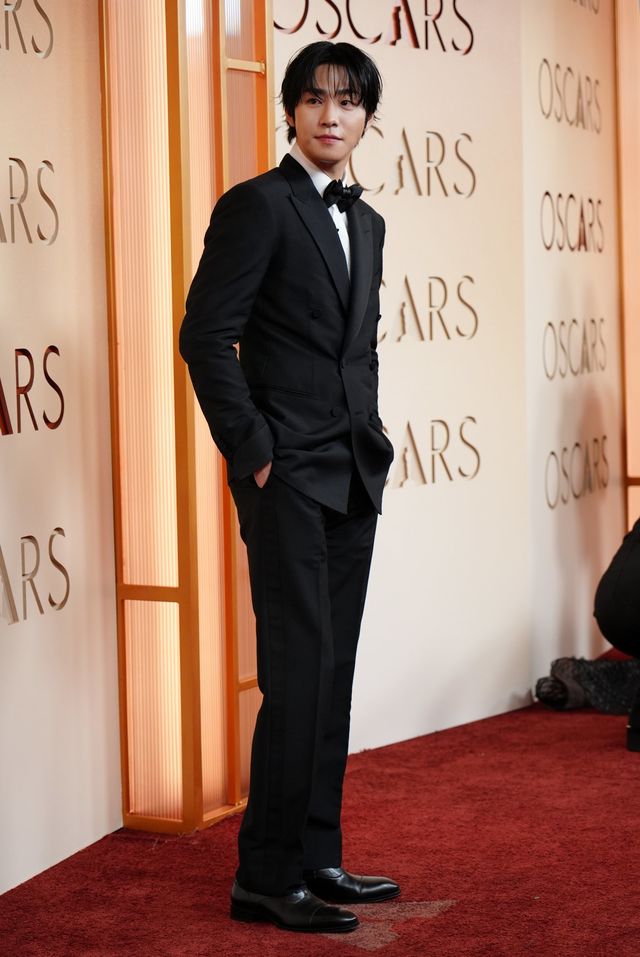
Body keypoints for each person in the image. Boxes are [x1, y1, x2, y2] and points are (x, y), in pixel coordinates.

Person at [179, 41, 398, 934]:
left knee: (332, 676)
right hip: (287, 480)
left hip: (352, 473)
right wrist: (255, 453)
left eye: (346, 102)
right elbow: (205, 335)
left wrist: (369, 442)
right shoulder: (257, 207)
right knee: (297, 677)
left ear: (366, 116)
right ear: (292, 112)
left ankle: (317, 854)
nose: (330, 116)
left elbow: (358, 349)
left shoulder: (370, 223)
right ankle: (264, 875)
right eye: (313, 101)